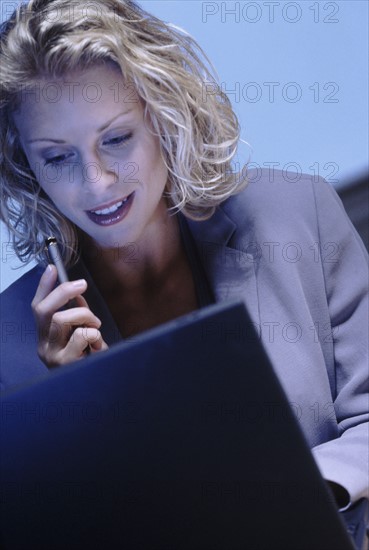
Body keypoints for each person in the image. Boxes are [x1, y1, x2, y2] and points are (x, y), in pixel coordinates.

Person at [0, 0, 368, 528]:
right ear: (26, 164)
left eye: (117, 139)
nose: (97, 181)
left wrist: (296, 501)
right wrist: (76, 407)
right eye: (57, 157)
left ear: (163, 113)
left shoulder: (297, 212)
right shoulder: (9, 349)